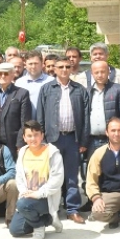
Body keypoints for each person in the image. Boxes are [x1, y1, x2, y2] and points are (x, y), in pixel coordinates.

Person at [37, 55, 89, 224]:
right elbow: (40, 116)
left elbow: (86, 118)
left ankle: (72, 209)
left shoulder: (79, 90)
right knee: (51, 175)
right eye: (61, 67)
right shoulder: (47, 89)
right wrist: (41, 140)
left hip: (72, 139)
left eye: (67, 67)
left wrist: (83, 141)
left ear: (72, 68)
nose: (64, 70)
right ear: (55, 69)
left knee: (72, 176)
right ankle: (52, 209)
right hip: (52, 139)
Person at [9, 120, 64, 239]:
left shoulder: (52, 152)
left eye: (36, 135)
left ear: (42, 135)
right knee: (15, 230)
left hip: (45, 197)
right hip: (28, 197)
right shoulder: (23, 152)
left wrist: (39, 193)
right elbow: (19, 176)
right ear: (24, 137)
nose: (33, 138)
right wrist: (24, 191)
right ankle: (48, 220)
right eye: (29, 135)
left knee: (22, 205)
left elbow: (57, 179)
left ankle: (39, 226)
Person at [0, 62, 31, 159]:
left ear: (13, 75)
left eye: (6, 73)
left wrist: (20, 143)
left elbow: (25, 121)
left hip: (13, 142)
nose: (2, 76)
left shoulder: (22, 93)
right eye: (0, 73)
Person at [15, 50, 52, 118]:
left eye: (36, 63)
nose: (33, 66)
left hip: (45, 121)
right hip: (26, 123)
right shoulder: (19, 83)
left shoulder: (50, 81)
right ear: (25, 64)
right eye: (30, 64)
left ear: (42, 64)